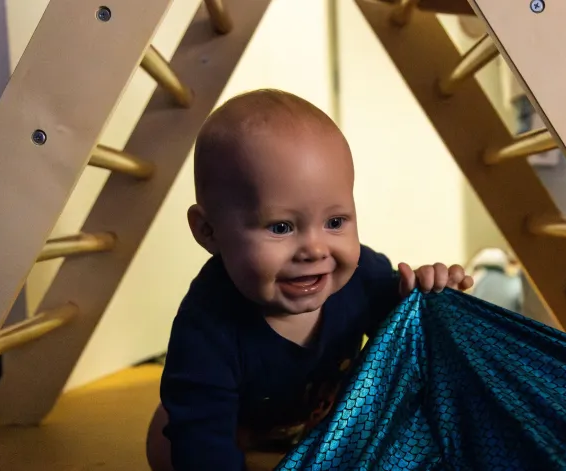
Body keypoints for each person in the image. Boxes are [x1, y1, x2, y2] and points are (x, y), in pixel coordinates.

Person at [145, 89, 474, 471]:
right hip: (234, 425)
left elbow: (414, 337)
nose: (315, 249)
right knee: (168, 448)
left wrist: (430, 293)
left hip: (321, 423)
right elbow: (201, 441)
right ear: (209, 231)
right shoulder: (207, 326)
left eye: (335, 222)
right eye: (281, 227)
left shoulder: (361, 277)